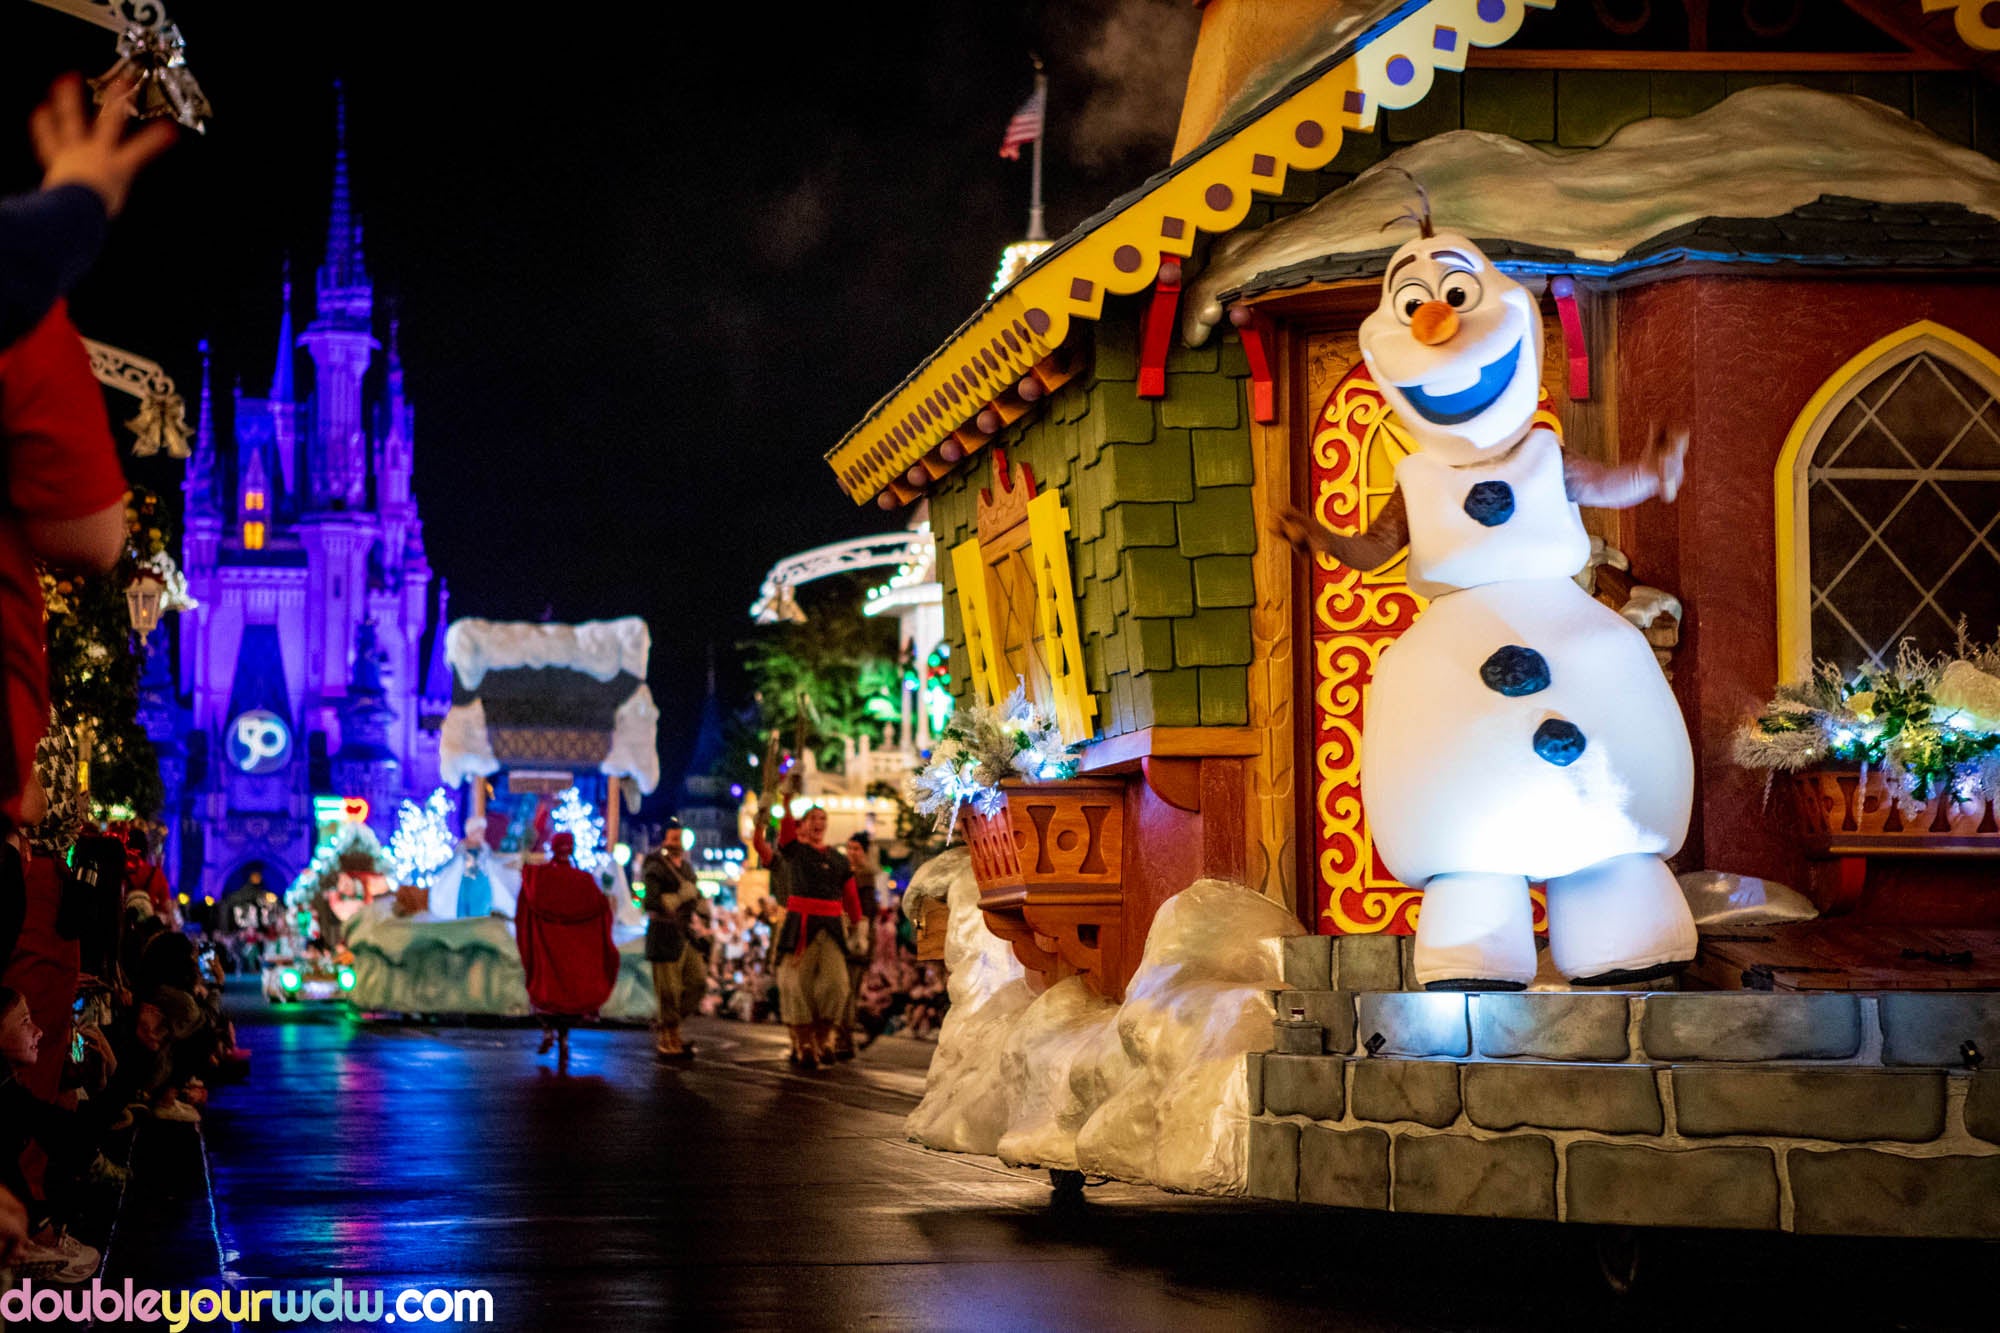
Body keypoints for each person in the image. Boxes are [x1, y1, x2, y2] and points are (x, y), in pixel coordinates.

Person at [753, 798, 860, 1070]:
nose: (817, 824)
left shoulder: (837, 859)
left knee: (837, 984)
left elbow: (850, 894)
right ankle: (802, 1042)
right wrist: (778, 809)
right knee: (795, 984)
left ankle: (825, 1038)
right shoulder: (791, 854)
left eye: (822, 819)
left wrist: (860, 924)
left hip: (831, 926)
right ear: (801, 825)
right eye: (812, 819)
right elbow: (764, 845)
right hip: (794, 924)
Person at [513, 831, 617, 1068]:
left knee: (548, 996)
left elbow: (527, 899)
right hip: (571, 953)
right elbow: (601, 908)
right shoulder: (583, 881)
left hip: (548, 950)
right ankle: (563, 1040)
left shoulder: (541, 878)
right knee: (567, 999)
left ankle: (548, 1032)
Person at [640, 825, 711, 1062]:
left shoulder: (688, 868)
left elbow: (695, 898)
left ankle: (669, 1025)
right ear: (665, 841)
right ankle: (669, 1037)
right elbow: (650, 901)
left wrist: (700, 906)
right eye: (672, 838)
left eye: (679, 838)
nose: (676, 842)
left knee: (697, 982)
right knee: (668, 990)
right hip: (663, 933)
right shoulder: (655, 866)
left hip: (684, 933)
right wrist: (678, 897)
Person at [833, 833, 880, 1060]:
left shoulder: (865, 877)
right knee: (841, 990)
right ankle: (842, 1036)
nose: (851, 853)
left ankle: (845, 1037)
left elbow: (867, 912)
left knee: (848, 991)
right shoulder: (844, 873)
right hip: (842, 937)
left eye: (856, 849)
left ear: (865, 853)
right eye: (849, 848)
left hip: (856, 941)